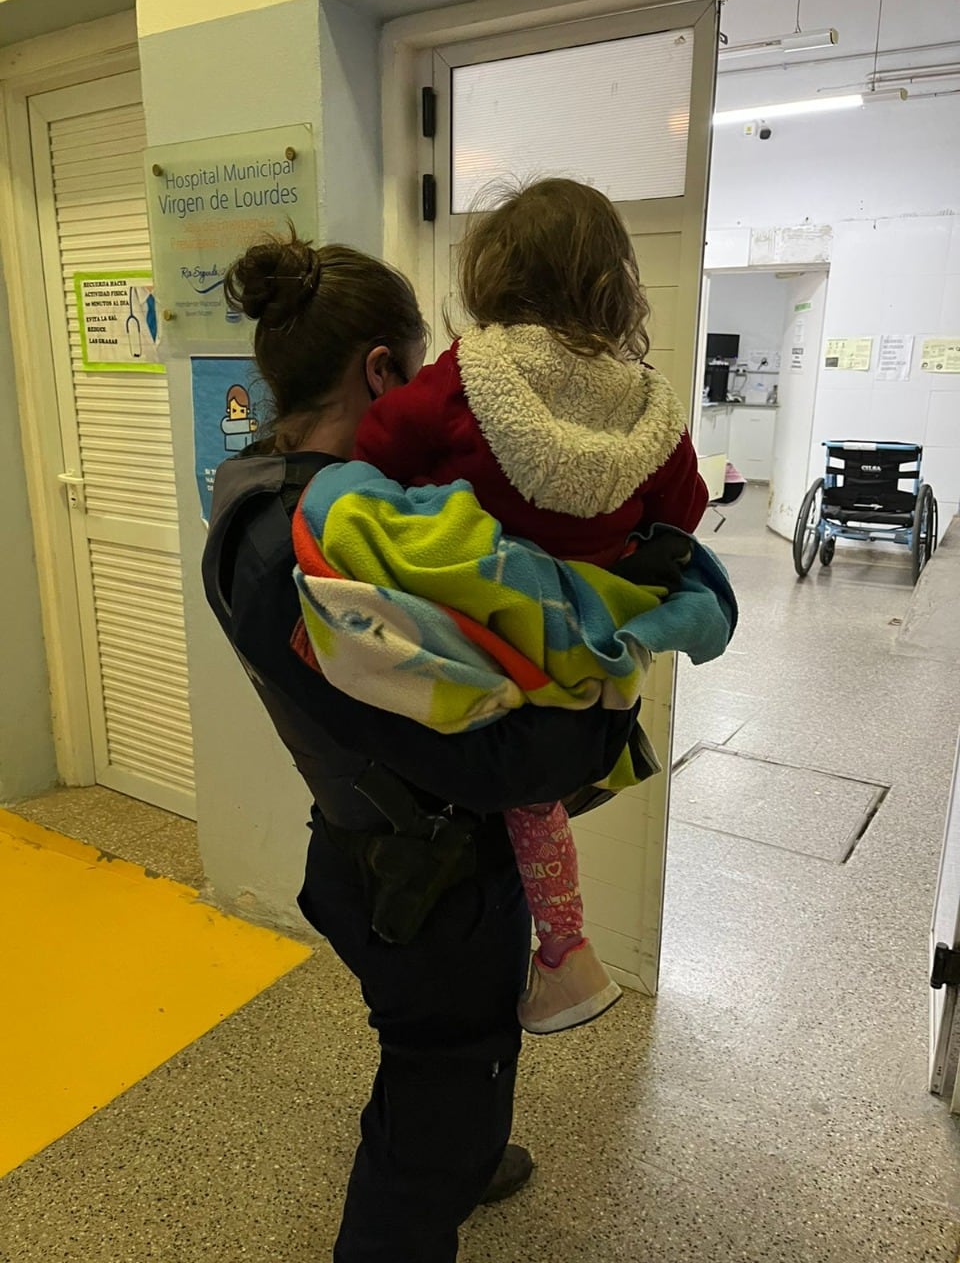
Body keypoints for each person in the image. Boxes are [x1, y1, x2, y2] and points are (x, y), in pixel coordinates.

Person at [201, 234, 646, 1263]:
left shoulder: (261, 483)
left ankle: (468, 1136)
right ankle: (445, 1157)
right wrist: (605, 707)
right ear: (380, 371)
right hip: (420, 876)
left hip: (376, 844)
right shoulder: (303, 545)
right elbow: (480, 758)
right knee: (435, 1094)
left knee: (443, 1055)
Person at [342, 179, 708, 1035]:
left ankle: (545, 954)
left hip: (476, 627)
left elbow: (376, 447)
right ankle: (565, 944)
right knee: (535, 794)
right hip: (578, 644)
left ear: (493, 273)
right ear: (613, 282)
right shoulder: (648, 402)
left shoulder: (468, 375)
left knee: (469, 777)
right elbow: (682, 512)